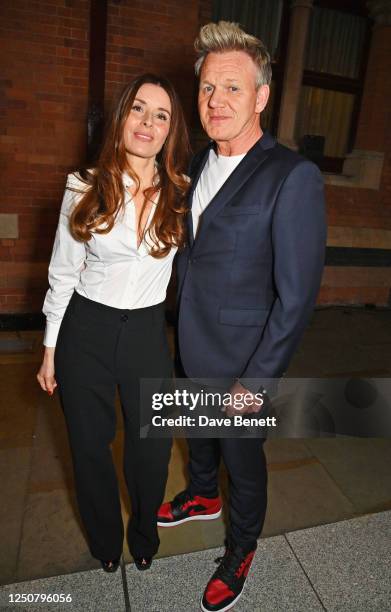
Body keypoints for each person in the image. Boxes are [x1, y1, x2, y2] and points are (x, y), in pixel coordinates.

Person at [157, 22, 327, 612]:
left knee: (242, 458)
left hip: (243, 360)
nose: (215, 101)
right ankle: (203, 495)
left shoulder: (291, 175)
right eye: (206, 88)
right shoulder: (195, 162)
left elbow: (297, 295)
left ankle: (242, 547)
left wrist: (256, 383)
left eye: (232, 88)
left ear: (261, 97)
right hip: (191, 342)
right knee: (196, 435)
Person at [37, 74, 190, 573]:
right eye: (139, 109)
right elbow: (63, 272)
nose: (147, 122)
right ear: (122, 117)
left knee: (151, 451)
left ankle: (144, 535)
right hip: (86, 332)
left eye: (160, 115)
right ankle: (106, 544)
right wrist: (50, 348)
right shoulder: (84, 184)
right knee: (89, 449)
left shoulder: (182, 193)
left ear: (170, 130)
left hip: (146, 334)